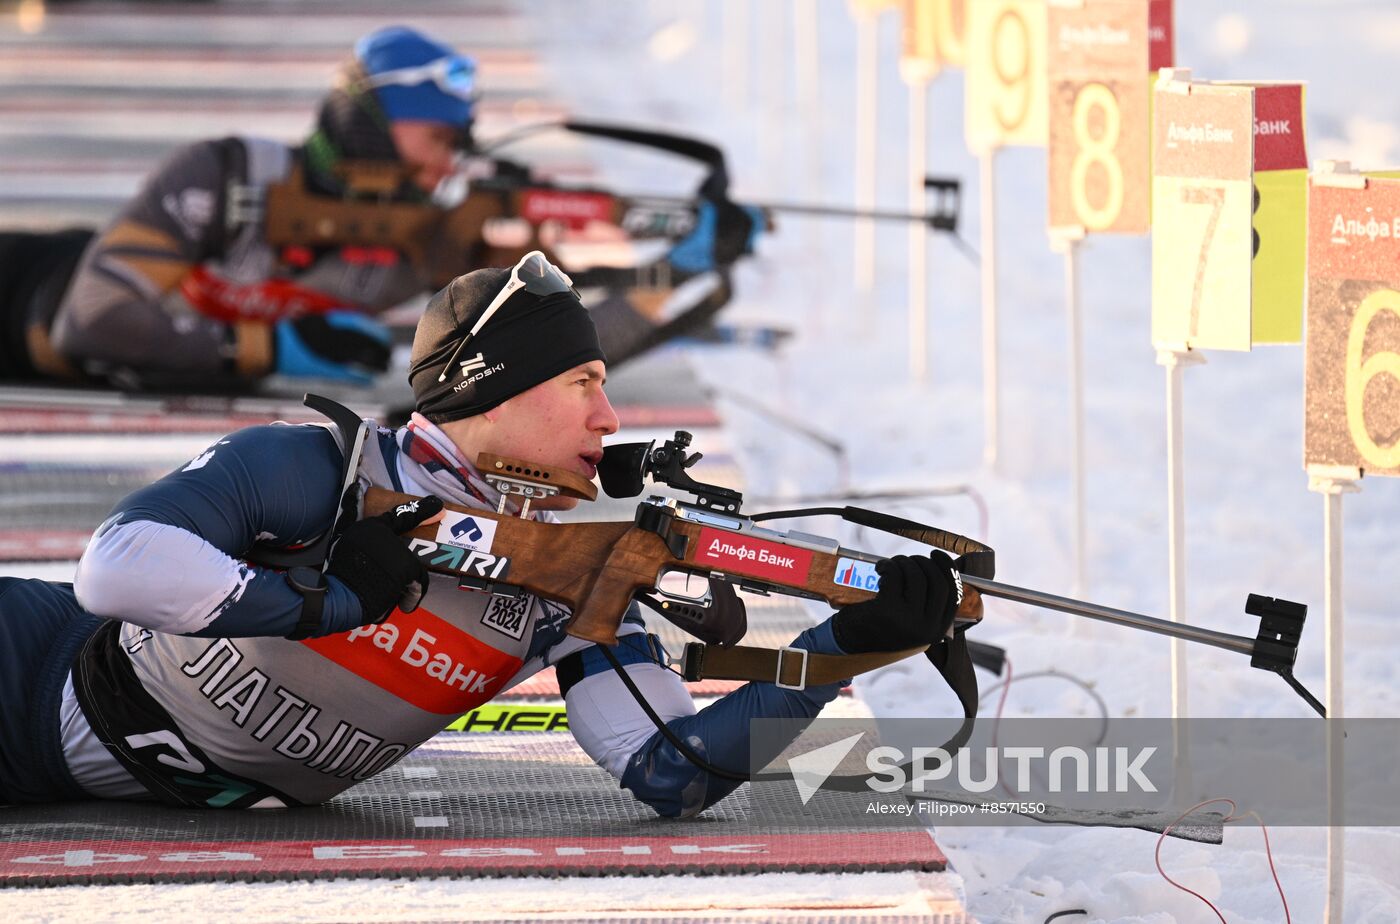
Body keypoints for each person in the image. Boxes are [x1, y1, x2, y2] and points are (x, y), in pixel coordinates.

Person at [0, 252, 960, 812]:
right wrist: (330, 599)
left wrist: (836, 653)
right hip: (30, 674)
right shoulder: (324, 471)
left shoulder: (573, 565)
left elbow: (672, 768)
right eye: (582, 384)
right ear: (491, 394)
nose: (610, 417)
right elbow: (114, 570)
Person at [0, 25, 762, 391]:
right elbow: (90, 319)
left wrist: (671, 266)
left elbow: (554, 332)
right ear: (369, 115)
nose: (447, 155)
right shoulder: (226, 171)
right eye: (434, 133)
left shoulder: (434, 236)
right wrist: (271, 349)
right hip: (24, 297)